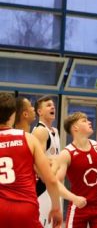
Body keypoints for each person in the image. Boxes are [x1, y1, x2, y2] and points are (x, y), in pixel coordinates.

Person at [0, 92, 62, 228]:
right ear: (13, 114)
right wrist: (56, 208)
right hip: (26, 207)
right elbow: (50, 179)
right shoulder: (28, 138)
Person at [56, 111, 97, 227]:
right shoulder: (66, 153)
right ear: (75, 128)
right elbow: (56, 183)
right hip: (79, 207)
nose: (89, 122)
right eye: (84, 121)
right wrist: (74, 198)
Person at [32, 95, 61, 227]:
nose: (52, 107)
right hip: (43, 189)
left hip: (54, 188)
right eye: (48, 105)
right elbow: (36, 163)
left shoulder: (54, 131)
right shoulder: (40, 131)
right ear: (39, 111)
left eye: (53, 105)